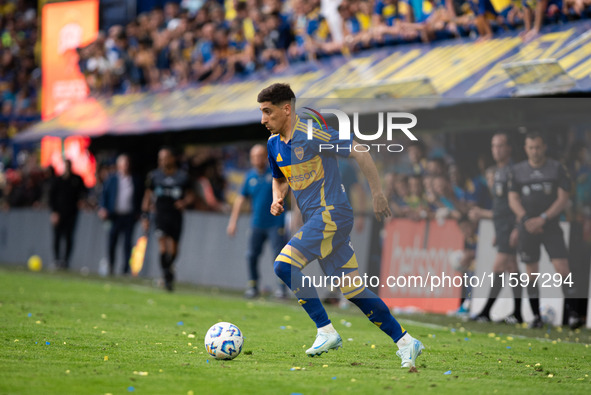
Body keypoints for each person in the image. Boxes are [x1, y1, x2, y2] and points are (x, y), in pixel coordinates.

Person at [258, 83, 424, 368]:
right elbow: (280, 176)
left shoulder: (311, 134)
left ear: (287, 109)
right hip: (318, 219)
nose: (263, 119)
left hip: (332, 214)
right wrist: (278, 198)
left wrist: (377, 194)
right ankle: (407, 342)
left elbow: (360, 151)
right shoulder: (274, 144)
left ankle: (325, 330)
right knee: (354, 290)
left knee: (283, 266)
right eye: (261, 112)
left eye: (267, 112)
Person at [508, 132, 583, 329]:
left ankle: (573, 314)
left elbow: (563, 198)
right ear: (526, 149)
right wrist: (526, 219)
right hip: (527, 227)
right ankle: (536, 317)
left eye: (538, 147)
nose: (535, 151)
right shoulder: (517, 171)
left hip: (550, 225)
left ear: (544, 147)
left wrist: (543, 218)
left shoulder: (557, 168)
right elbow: (513, 199)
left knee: (562, 268)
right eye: (531, 147)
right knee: (531, 272)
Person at [469, 132, 523, 324]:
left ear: (509, 148)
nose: (497, 150)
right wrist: (496, 230)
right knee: (512, 267)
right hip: (502, 227)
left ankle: (486, 311)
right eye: (494, 146)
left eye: (500, 146)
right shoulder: (495, 172)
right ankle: (518, 313)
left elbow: (517, 203)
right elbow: (500, 206)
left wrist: (518, 227)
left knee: (499, 266)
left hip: (511, 226)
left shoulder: (515, 171)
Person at [227, 144, 287, 299]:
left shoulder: (275, 173)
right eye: (254, 156)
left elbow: (288, 193)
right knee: (251, 255)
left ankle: (281, 288)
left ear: (266, 157)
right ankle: (253, 286)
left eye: (260, 155)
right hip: (257, 223)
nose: (257, 159)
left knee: (280, 257)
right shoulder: (249, 177)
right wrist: (233, 221)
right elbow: (241, 199)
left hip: (276, 223)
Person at [142, 148, 195, 291]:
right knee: (163, 245)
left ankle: (169, 270)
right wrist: (145, 216)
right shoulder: (154, 176)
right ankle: (167, 277)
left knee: (174, 250)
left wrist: (183, 203)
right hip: (160, 215)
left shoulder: (183, 177)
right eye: (160, 158)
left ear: (172, 159)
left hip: (175, 216)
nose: (162, 161)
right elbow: (148, 196)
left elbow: (191, 196)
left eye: (165, 158)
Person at [98, 154, 144, 275]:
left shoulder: (135, 179)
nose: (125, 166)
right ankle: (111, 265)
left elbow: (140, 197)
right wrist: (103, 208)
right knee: (112, 241)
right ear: (118, 166)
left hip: (129, 216)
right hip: (115, 216)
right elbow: (104, 195)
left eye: (127, 163)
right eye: (123, 163)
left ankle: (125, 269)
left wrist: (139, 213)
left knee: (127, 243)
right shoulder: (112, 179)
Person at [49, 159, 87, 270]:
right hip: (59, 213)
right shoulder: (58, 181)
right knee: (57, 237)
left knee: (69, 237)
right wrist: (54, 212)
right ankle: (56, 259)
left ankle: (66, 260)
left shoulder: (77, 179)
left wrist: (82, 201)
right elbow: (52, 197)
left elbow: (83, 193)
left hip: (71, 214)